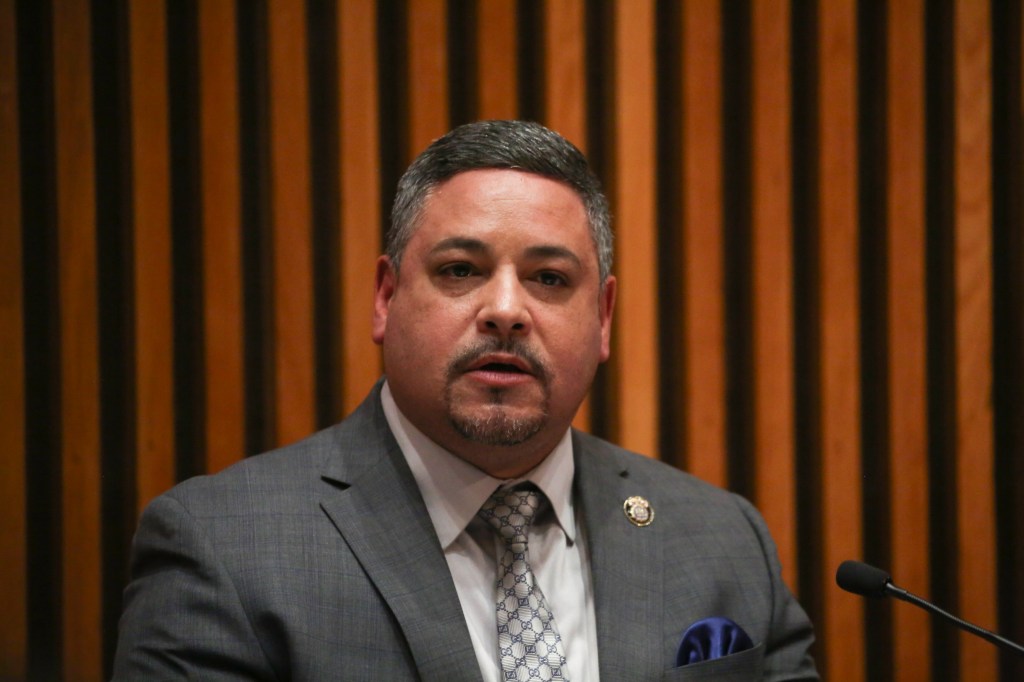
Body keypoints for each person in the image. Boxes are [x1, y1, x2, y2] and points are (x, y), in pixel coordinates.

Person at [113, 120, 818, 681]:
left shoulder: (724, 541)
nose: (506, 310)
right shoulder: (225, 549)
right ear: (386, 298)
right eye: (460, 270)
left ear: (603, 318)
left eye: (547, 278)